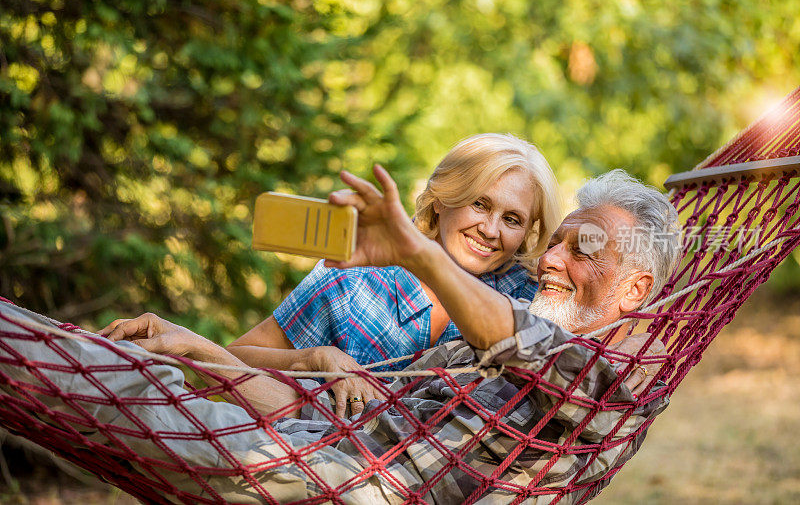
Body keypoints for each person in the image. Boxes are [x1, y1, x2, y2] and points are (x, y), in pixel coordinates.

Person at [0, 168, 679, 504]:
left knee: (101, 380)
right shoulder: (488, 349)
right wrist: (198, 346)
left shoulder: (615, 388)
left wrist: (418, 253)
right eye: (553, 244)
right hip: (312, 456)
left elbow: (522, 338)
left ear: (634, 291)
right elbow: (325, 414)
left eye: (583, 249)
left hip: (333, 486)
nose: (551, 261)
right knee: (123, 370)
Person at [227, 133, 561, 416]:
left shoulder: (525, 295)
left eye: (512, 219)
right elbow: (231, 361)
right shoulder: (354, 280)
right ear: (442, 199)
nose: (490, 230)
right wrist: (315, 358)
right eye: (479, 204)